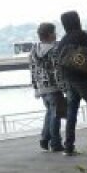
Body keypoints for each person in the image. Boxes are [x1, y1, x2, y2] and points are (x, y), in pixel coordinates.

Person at [55, 10, 87, 155]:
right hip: (82, 78)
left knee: (72, 112)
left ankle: (68, 146)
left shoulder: (63, 41)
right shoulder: (82, 35)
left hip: (69, 78)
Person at [28, 22, 66, 153]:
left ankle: (45, 139)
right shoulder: (54, 50)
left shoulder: (34, 50)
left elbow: (32, 70)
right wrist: (63, 88)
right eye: (54, 32)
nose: (56, 34)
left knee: (50, 113)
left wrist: (36, 88)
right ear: (50, 35)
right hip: (54, 88)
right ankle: (55, 143)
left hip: (41, 88)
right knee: (56, 115)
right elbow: (57, 71)